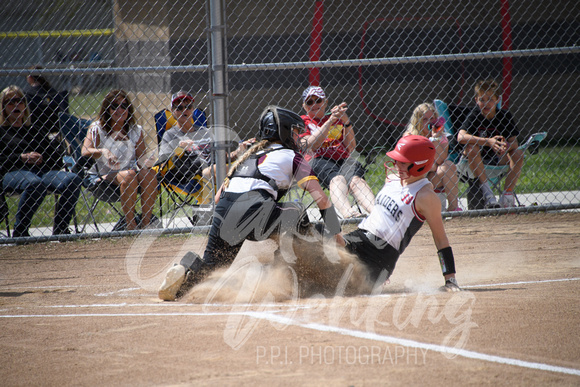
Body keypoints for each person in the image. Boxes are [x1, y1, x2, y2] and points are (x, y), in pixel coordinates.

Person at [158, 106, 343, 301]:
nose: (299, 138)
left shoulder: (247, 157)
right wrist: (337, 235)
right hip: (254, 208)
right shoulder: (292, 156)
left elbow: (218, 198)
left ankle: (186, 273)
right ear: (284, 132)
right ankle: (289, 273)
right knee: (296, 212)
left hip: (224, 211)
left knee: (212, 270)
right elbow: (322, 200)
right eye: (296, 132)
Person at [341, 135, 461, 291]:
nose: (397, 165)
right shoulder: (391, 179)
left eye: (403, 163)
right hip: (358, 237)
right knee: (320, 243)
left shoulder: (425, 196)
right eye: (397, 161)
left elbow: (440, 239)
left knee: (336, 280)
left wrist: (450, 279)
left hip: (378, 255)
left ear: (420, 165)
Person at [0, 85, 81, 237]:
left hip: (42, 172)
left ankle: (60, 230)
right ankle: (20, 232)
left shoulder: (35, 129)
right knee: (34, 183)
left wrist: (45, 157)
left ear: (25, 105)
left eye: (19, 101)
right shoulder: (2, 132)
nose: (16, 105)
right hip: (12, 173)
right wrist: (21, 157)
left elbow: (56, 159)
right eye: (10, 102)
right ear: (3, 107)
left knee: (72, 179)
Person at [81, 89, 158, 230]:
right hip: (100, 178)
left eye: (124, 106)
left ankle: (146, 224)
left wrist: (148, 161)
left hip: (129, 175)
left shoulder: (135, 130)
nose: (120, 109)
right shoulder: (97, 128)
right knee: (129, 175)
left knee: (150, 174)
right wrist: (103, 151)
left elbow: (141, 159)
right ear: (107, 109)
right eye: (115, 106)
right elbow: (85, 151)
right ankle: (131, 226)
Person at [299, 86, 375, 218]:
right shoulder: (302, 122)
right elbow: (311, 145)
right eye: (309, 102)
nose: (314, 104)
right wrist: (329, 121)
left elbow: (351, 147)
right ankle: (348, 213)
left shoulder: (338, 119)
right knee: (337, 178)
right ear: (304, 106)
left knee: (356, 180)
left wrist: (346, 121)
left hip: (342, 158)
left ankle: (377, 212)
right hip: (318, 159)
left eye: (318, 100)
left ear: (325, 102)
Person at [158, 91, 253, 183]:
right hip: (193, 176)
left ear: (193, 109)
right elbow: (164, 163)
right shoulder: (170, 135)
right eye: (179, 108)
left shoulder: (205, 132)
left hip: (216, 169)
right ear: (173, 111)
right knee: (223, 169)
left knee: (245, 164)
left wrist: (239, 151)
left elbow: (224, 157)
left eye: (188, 106)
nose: (184, 110)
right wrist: (179, 149)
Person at [457, 79, 523, 208]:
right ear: (476, 100)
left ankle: (507, 196)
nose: (486, 103)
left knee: (518, 153)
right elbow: (461, 136)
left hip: (499, 158)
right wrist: (488, 141)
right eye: (482, 99)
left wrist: (506, 146)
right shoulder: (475, 115)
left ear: (498, 100)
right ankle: (488, 195)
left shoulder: (504, 116)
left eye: (490, 99)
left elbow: (514, 142)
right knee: (471, 148)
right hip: (475, 161)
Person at [404, 102, 461, 212]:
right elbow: (418, 165)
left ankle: (454, 208)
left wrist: (435, 138)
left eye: (432, 119)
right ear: (418, 121)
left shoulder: (441, 136)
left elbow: (439, 160)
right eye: (425, 119)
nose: (429, 122)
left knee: (448, 166)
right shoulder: (410, 136)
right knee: (433, 167)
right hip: (415, 179)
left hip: (432, 178)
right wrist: (431, 166)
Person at [24, 66, 68, 135]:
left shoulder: (28, 94)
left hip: (35, 129)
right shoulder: (53, 92)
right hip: (55, 128)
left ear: (30, 77)